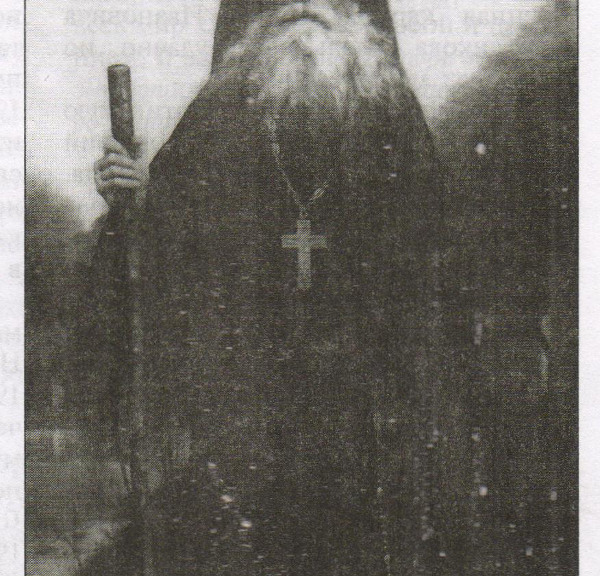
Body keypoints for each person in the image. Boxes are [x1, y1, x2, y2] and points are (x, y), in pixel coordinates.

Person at [91, 2, 449, 574]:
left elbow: (437, 261)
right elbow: (160, 260)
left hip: (366, 428)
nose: (306, 7)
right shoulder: (217, 116)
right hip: (246, 422)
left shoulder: (394, 117)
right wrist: (133, 200)